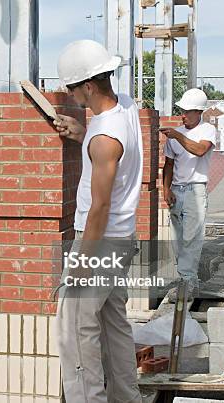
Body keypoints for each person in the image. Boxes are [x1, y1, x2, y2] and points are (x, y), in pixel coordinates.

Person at [53, 40, 143, 403]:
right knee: (113, 326)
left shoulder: (104, 139)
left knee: (74, 331)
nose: (70, 94)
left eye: (72, 88)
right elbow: (107, 143)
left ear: (88, 86)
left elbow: (99, 207)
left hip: (99, 243)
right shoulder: (126, 107)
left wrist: (81, 262)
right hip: (121, 240)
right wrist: (81, 133)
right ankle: (127, 397)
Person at [161, 88, 216, 300]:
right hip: (177, 190)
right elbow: (168, 164)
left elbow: (200, 150)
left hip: (196, 190)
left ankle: (188, 284)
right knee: (178, 239)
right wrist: (166, 189)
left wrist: (177, 135)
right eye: (181, 111)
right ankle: (186, 280)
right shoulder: (175, 135)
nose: (182, 115)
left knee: (192, 238)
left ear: (198, 111)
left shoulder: (207, 130)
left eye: (187, 111)